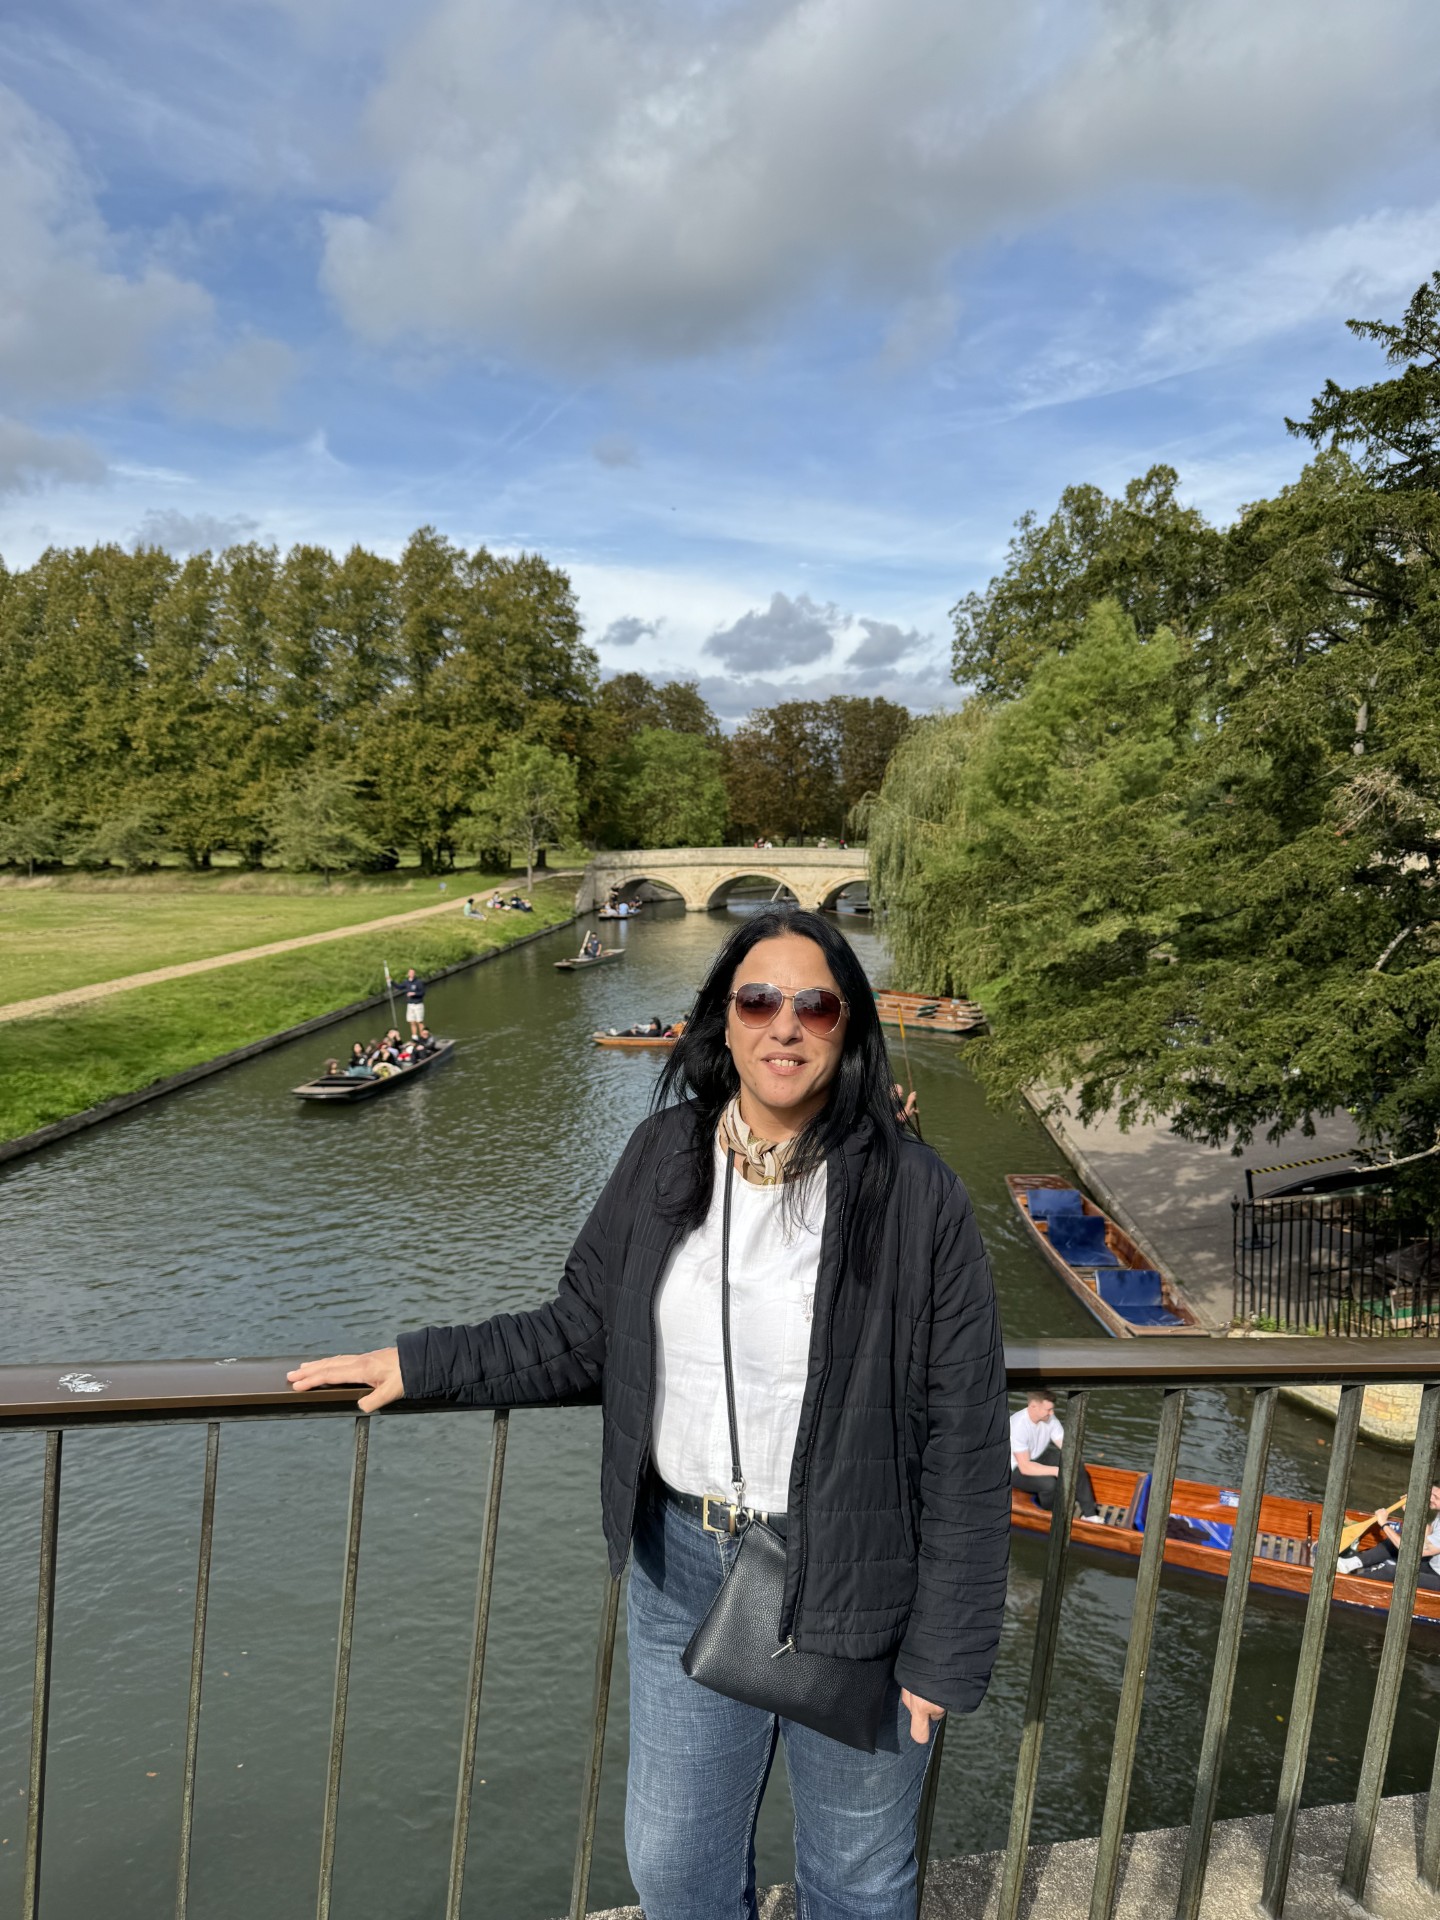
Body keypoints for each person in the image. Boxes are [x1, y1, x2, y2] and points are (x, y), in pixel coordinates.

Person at [289, 908, 1009, 1920]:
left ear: (848, 1029)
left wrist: (947, 1650)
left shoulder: (915, 1195)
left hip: (861, 1576)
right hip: (684, 1562)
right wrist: (422, 1360)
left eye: (817, 1004)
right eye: (759, 1000)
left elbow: (967, 1434)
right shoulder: (664, 1154)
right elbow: (581, 1330)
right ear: (723, 1020)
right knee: (674, 1869)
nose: (785, 1026)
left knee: (857, 1880)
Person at [1010, 1387, 1102, 1524]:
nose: (1052, 1413)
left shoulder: (1049, 1418)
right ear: (1033, 1406)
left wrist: (1073, 1460)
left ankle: (1089, 1514)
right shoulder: (1018, 1425)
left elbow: (1066, 1447)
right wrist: (1056, 1471)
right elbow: (1025, 1467)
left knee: (1075, 1464)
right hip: (1014, 1469)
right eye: (1048, 1410)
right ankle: (1051, 1517)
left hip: (1038, 1457)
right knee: (1049, 1484)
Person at [1339, 1485, 1440, 1589]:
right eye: (1430, 1494)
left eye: (1436, 1497)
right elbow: (1428, 1535)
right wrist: (1414, 1511)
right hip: (1432, 1564)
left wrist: (1384, 1524)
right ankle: (1349, 1564)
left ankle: (1344, 1586)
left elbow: (1417, 1551)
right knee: (1394, 1542)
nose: (1431, 1498)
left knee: (1393, 1572)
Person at [401, 968, 426, 1035]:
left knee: (419, 1022)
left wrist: (414, 994)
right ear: (408, 974)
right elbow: (399, 987)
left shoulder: (418, 982)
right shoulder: (406, 982)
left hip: (418, 1004)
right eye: (410, 973)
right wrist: (391, 981)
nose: (411, 974)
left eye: (413, 973)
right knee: (411, 1021)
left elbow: (422, 993)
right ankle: (414, 1037)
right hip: (410, 1005)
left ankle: (422, 1036)